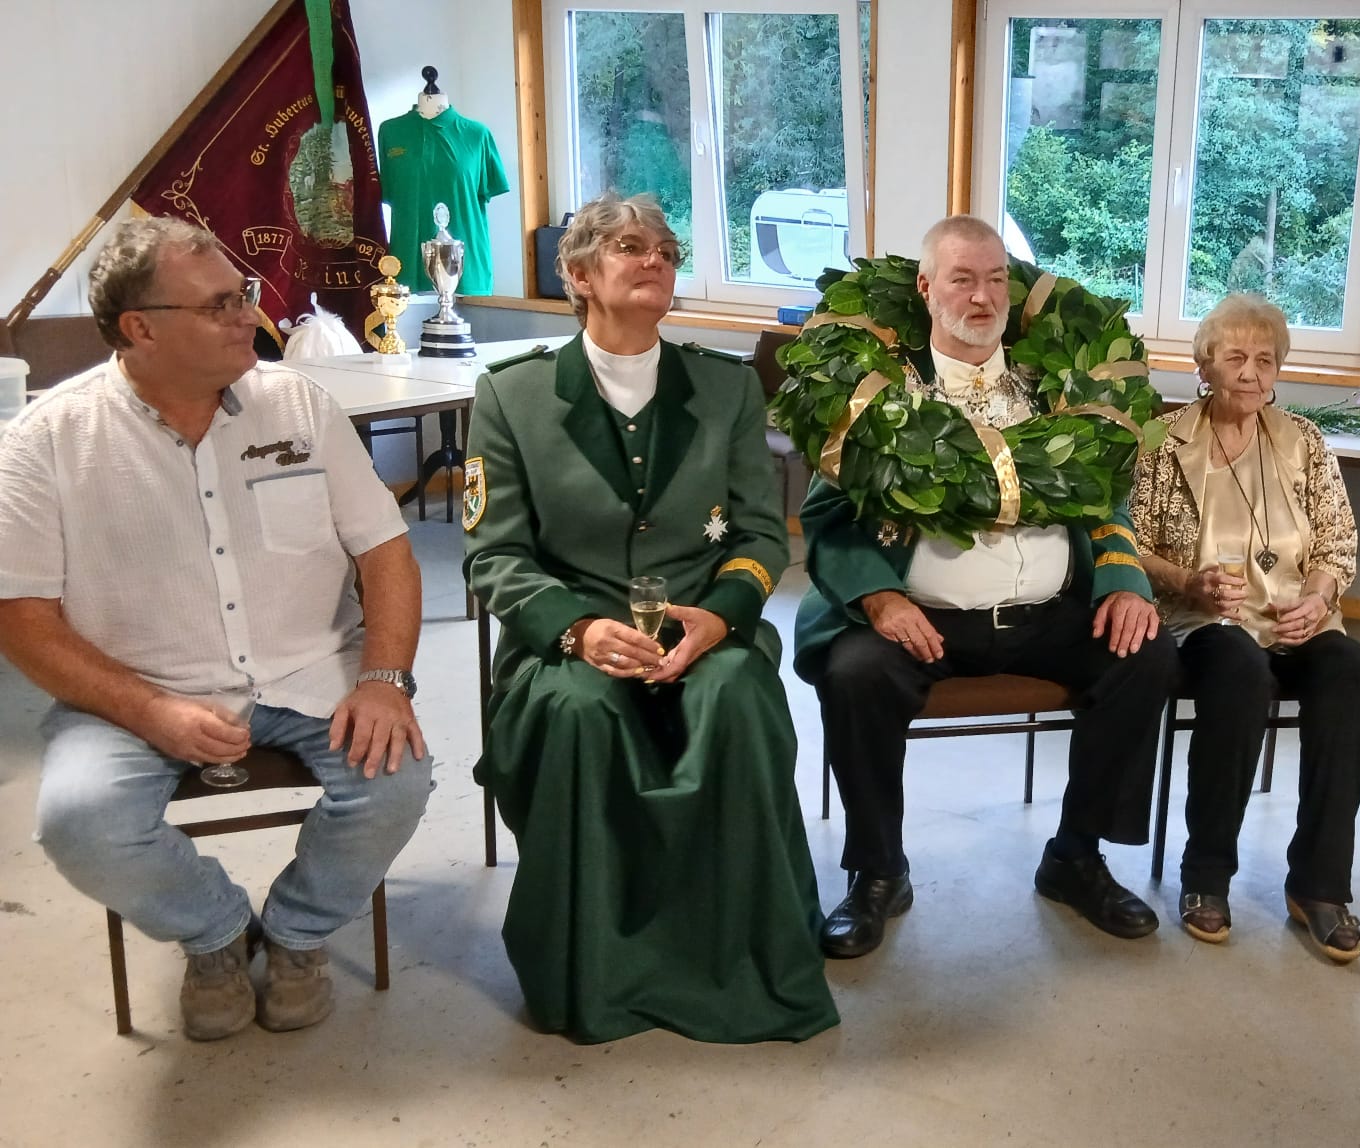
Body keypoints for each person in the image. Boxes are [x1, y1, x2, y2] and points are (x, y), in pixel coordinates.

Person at [0, 217, 432, 1040]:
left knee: (398, 781)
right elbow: (21, 620)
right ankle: (219, 932)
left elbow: (385, 550)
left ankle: (299, 933)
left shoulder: (297, 403)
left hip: (310, 673)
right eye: (222, 304)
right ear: (141, 329)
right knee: (78, 821)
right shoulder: (46, 442)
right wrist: (147, 711)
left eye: (246, 295)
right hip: (137, 693)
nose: (250, 316)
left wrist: (385, 679)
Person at [464, 193, 836, 1043]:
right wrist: (578, 631)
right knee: (578, 711)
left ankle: (741, 958)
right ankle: (591, 972)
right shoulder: (512, 397)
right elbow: (494, 557)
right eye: (630, 247)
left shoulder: (726, 385)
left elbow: (755, 533)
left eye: (666, 248)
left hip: (704, 627)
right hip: (570, 641)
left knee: (736, 697)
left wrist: (721, 618)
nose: (655, 259)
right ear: (579, 273)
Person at [793, 215, 1177, 958]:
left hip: (1048, 615)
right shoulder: (879, 399)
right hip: (923, 621)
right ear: (926, 288)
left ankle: (1076, 855)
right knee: (855, 672)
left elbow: (1106, 498)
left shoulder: (1054, 390)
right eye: (963, 279)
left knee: (1146, 656)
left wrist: (1126, 582)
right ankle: (878, 871)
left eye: (996, 278)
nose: (982, 296)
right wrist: (880, 596)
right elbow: (828, 514)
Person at [1127, 293, 1360, 962]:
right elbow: (1130, 545)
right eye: (1234, 357)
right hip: (1205, 618)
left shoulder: (1305, 443)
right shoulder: (1165, 441)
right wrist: (1187, 583)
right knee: (1238, 669)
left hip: (1297, 616)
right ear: (1204, 367)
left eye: (1266, 360)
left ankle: (1320, 887)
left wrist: (1319, 597)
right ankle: (1206, 876)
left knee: (1348, 669)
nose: (1252, 372)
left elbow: (1339, 545)